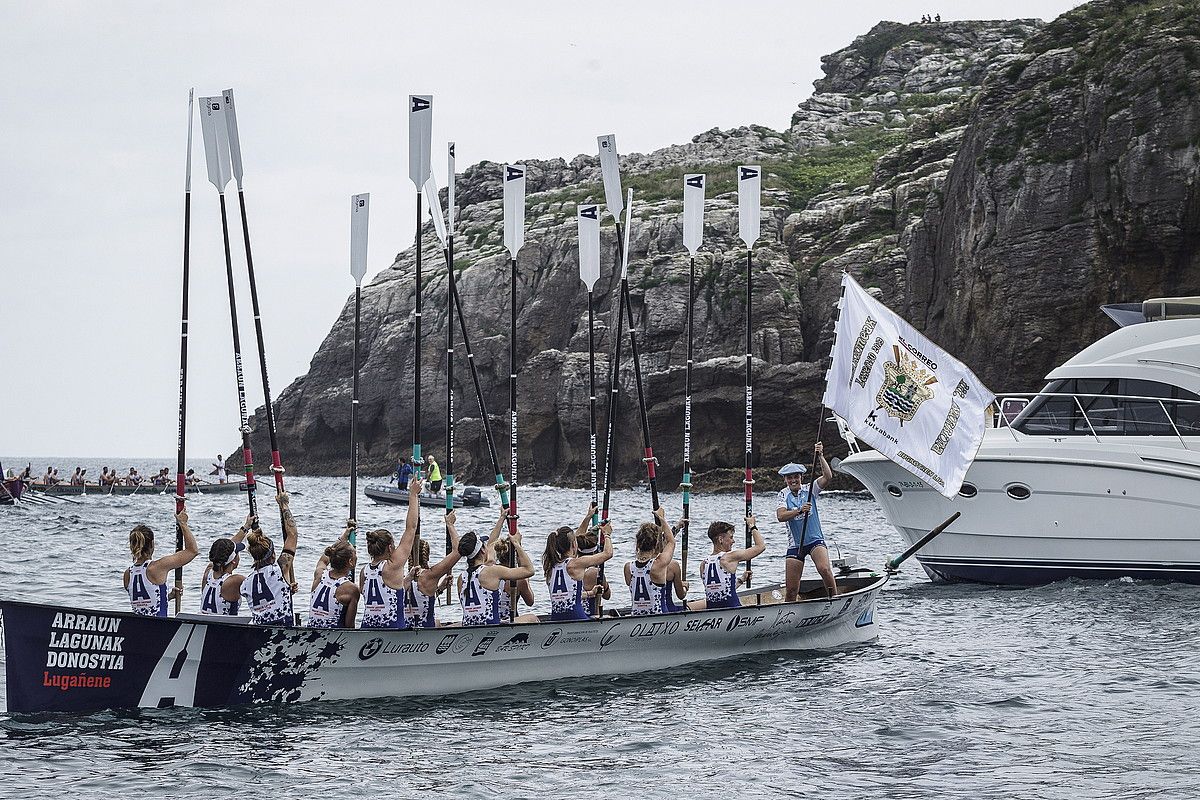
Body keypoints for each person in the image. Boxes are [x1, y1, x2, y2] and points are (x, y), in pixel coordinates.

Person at [776, 443, 838, 601]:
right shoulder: (783, 495)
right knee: (791, 590)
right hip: (796, 545)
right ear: (785, 479)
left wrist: (820, 456)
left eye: (796, 476)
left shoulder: (810, 489)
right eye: (789, 478)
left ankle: (834, 599)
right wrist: (799, 510)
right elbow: (781, 516)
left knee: (824, 568)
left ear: (801, 477)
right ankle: (787, 614)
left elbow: (828, 477)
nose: (793, 480)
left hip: (815, 540)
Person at [360, 476, 423, 628]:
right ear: (389, 548)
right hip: (392, 631)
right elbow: (411, 528)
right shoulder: (393, 566)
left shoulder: (364, 571)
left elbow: (383, 591)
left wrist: (406, 579)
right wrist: (413, 495)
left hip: (367, 629)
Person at [457, 508, 534, 626]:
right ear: (483, 550)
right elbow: (529, 570)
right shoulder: (492, 571)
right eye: (484, 545)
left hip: (468, 627)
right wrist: (517, 545)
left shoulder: (461, 578)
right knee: (532, 618)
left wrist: (502, 518)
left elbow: (491, 544)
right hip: (491, 629)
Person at [542, 504, 614, 621]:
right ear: (574, 545)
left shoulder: (549, 565)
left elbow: (572, 539)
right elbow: (608, 554)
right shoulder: (576, 564)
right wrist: (607, 535)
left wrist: (588, 517)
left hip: (556, 620)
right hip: (577, 618)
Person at [123, 510, 199, 617]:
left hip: (138, 627)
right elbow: (192, 551)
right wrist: (183, 524)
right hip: (159, 628)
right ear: (152, 545)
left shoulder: (127, 574)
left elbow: (145, 603)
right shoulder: (157, 567)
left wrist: (168, 596)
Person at [240, 490, 299, 625]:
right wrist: (284, 505)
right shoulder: (280, 568)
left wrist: (286, 588)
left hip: (259, 632)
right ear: (273, 555)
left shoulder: (245, 583)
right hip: (283, 631)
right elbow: (292, 535)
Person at [402, 510, 461, 628]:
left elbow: (420, 601)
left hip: (405, 629)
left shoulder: (400, 579)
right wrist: (450, 525)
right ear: (427, 555)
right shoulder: (430, 576)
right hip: (427, 630)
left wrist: (440, 589)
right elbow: (458, 551)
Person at [697, 514, 764, 610]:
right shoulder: (729, 557)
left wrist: (741, 580)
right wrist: (752, 526)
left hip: (712, 612)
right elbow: (761, 546)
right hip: (733, 610)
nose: (733, 541)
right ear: (720, 539)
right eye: (731, 537)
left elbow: (720, 590)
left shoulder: (703, 564)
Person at [307, 521, 360, 628]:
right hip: (333, 637)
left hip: (311, 632)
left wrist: (343, 538)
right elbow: (349, 626)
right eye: (355, 553)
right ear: (351, 562)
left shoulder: (319, 574)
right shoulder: (351, 589)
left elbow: (324, 558)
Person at [200, 514, 254, 616]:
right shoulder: (234, 580)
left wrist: (246, 527)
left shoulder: (208, 572)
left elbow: (224, 549)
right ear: (233, 560)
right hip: (224, 630)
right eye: (238, 553)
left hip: (204, 624)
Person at [624, 508, 675, 616]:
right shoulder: (659, 564)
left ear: (637, 544)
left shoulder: (628, 567)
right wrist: (662, 519)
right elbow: (671, 542)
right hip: (659, 617)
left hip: (636, 617)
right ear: (656, 545)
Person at [493, 536, 537, 621]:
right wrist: (524, 572)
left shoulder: (489, 572)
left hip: (492, 619)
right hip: (508, 620)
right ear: (516, 556)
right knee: (533, 618)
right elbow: (530, 602)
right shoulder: (519, 580)